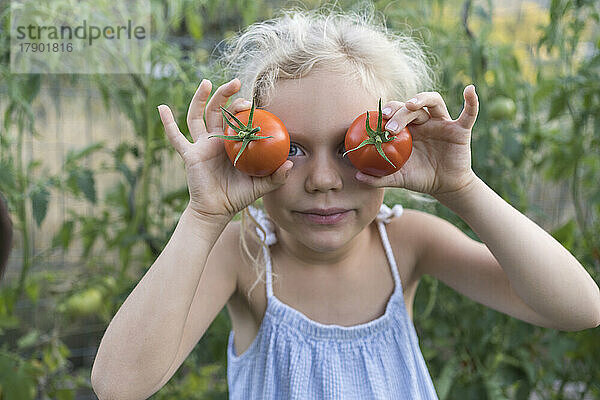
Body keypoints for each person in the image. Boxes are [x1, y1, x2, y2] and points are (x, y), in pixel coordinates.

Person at [91, 5, 600, 400]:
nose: (322, 180)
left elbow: (580, 307)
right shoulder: (242, 258)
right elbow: (119, 386)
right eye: (289, 148)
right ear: (242, 156)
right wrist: (203, 217)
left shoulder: (409, 243)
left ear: (399, 149)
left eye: (353, 146)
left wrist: (461, 189)